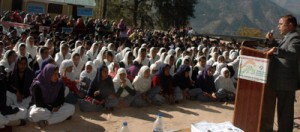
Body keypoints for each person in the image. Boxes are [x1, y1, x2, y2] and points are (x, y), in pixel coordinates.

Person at [265, 15, 300, 132]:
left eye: (281, 24)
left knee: (285, 113)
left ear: (290, 25)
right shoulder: (288, 37)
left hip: (286, 82)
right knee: (282, 110)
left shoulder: (295, 38)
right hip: (280, 81)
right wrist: (271, 42)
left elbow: (293, 54)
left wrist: (276, 50)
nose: (278, 26)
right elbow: (281, 50)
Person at [28, 64, 75, 128]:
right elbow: (38, 102)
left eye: (57, 73)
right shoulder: (38, 85)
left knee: (71, 108)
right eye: (53, 74)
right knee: (33, 114)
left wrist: (57, 106)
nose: (56, 76)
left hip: (54, 107)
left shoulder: (59, 83)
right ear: (47, 74)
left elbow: (61, 98)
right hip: (42, 107)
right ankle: (60, 117)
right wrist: (51, 108)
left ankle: (46, 122)